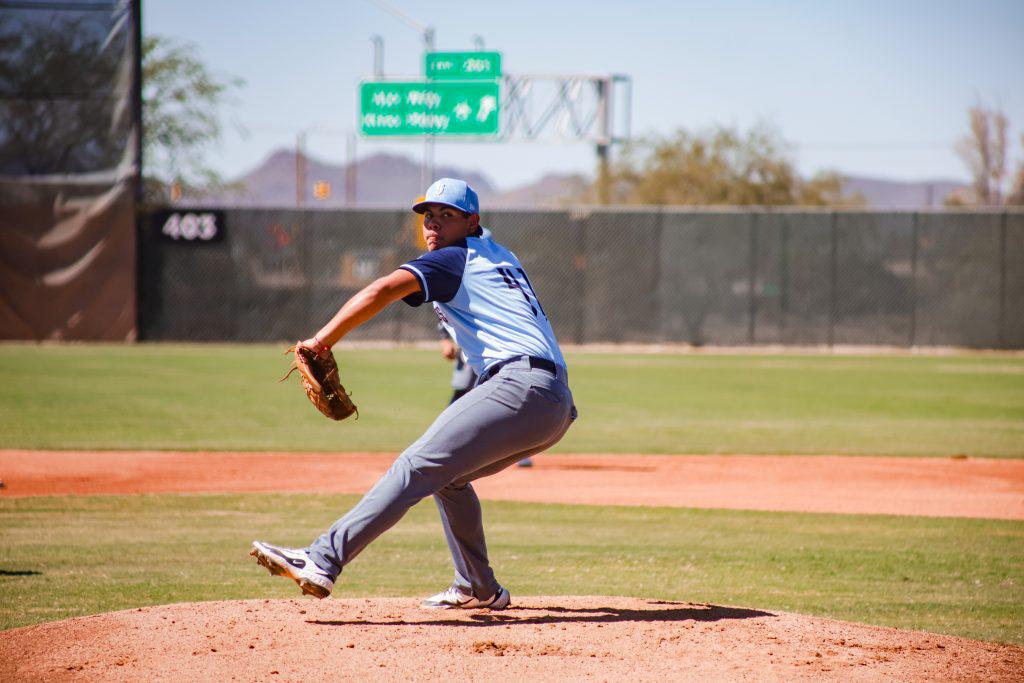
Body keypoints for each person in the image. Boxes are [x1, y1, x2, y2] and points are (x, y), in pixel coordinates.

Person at [251, 178, 575, 610]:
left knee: (415, 464)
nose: (433, 224)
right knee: (450, 477)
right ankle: (478, 587)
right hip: (554, 403)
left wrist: (320, 342)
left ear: (472, 222)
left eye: (447, 215)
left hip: (520, 387)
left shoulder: (453, 259)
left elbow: (381, 290)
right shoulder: (498, 255)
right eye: (428, 216)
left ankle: (322, 559)